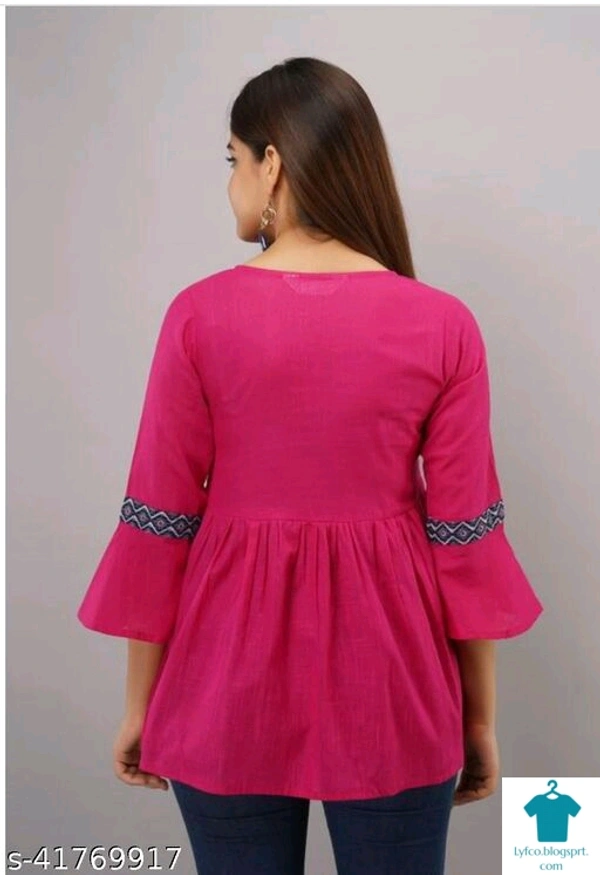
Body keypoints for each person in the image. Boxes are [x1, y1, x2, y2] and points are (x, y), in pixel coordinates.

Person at [76, 56, 544, 875]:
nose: (230, 183)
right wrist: (477, 718)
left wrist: (140, 704)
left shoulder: (199, 317)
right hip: (396, 687)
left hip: (221, 682)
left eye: (232, 159)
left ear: (273, 163)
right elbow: (464, 535)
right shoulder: (442, 325)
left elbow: (160, 519)